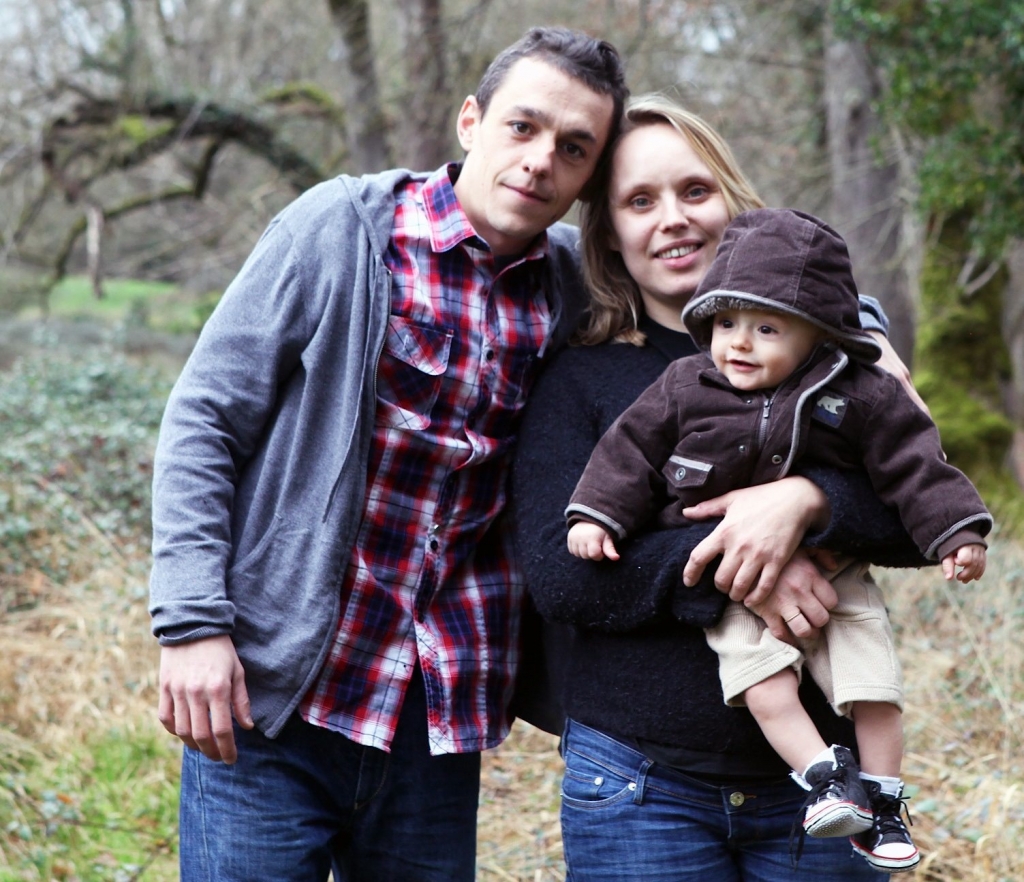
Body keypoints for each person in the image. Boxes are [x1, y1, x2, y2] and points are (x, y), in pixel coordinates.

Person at [147, 26, 628, 882]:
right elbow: (204, 420)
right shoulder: (341, 230)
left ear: (590, 175)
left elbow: (735, 277)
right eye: (523, 127)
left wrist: (868, 337)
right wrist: (191, 624)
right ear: (470, 121)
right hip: (277, 696)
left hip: (436, 719)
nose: (540, 159)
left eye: (573, 147)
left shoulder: (573, 286)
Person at [510, 94, 932, 882]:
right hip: (638, 785)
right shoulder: (581, 376)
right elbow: (562, 573)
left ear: (735, 203)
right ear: (608, 232)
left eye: (694, 191)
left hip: (822, 794)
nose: (671, 218)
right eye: (640, 201)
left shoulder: (834, 366)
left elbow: (921, 513)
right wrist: (737, 557)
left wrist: (806, 504)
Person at [565, 207, 992, 874]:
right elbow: (629, 454)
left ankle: (882, 802)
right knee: (761, 683)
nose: (739, 342)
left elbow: (914, 465)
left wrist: (956, 532)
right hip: (731, 590)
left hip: (837, 575)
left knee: (871, 684)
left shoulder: (857, 392)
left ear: (819, 336)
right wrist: (596, 516)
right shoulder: (683, 385)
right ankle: (825, 778)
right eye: (726, 323)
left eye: (767, 328)